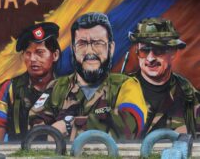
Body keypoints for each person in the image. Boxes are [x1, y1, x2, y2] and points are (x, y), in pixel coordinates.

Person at [29, 12, 147, 140]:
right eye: (82, 43)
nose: (90, 51)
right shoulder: (57, 87)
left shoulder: (126, 86)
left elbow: (129, 125)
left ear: (111, 48)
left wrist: (69, 126)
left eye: (98, 43)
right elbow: (34, 131)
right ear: (73, 49)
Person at [0, 22, 61, 141]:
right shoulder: (9, 88)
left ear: (55, 55)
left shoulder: (67, 88)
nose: (32, 59)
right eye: (28, 53)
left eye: (39, 53)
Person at [128, 17, 199, 138]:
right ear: (137, 52)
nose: (150, 59)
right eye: (144, 51)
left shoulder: (190, 97)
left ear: (173, 52)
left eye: (158, 50)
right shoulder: (117, 91)